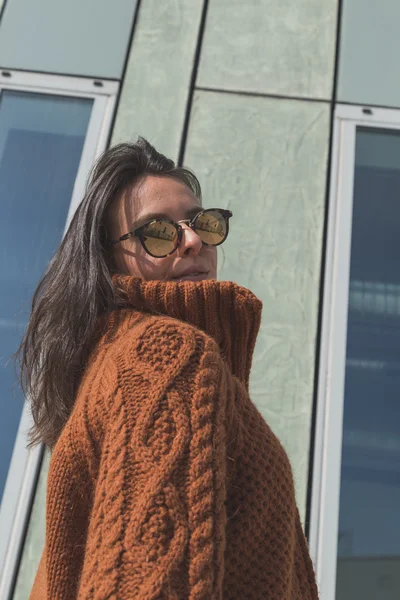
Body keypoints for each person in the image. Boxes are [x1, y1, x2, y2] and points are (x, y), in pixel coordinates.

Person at [23, 138, 318, 599]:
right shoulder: (161, 356)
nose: (195, 240)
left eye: (202, 223)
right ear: (108, 259)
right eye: (157, 231)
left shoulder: (119, 368)